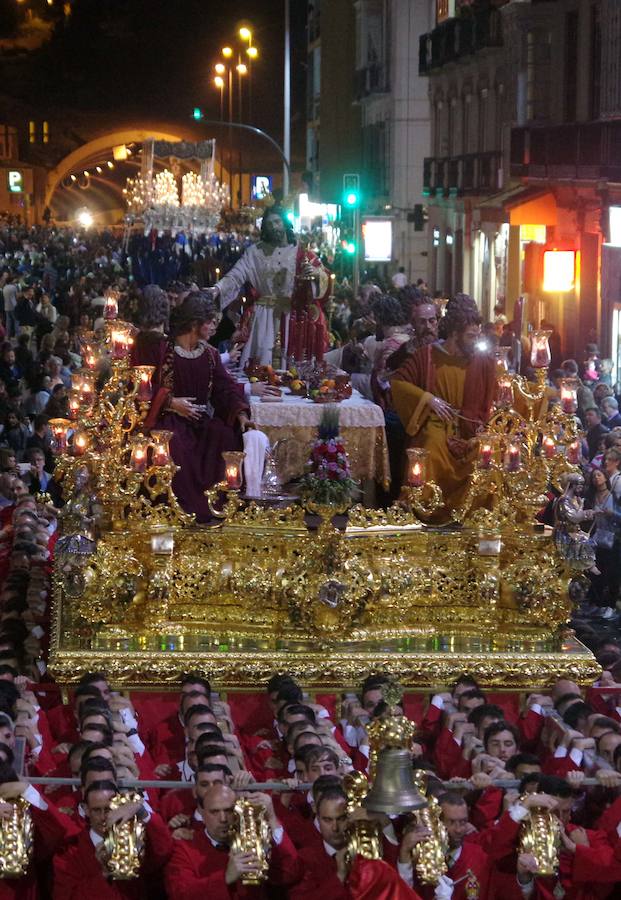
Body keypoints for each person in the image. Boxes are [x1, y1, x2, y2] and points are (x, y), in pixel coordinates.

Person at [143, 294, 252, 521]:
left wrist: (240, 413)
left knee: (223, 435)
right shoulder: (164, 350)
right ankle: (181, 508)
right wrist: (171, 402)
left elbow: (224, 389)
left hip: (200, 421)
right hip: (171, 419)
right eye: (210, 322)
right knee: (173, 445)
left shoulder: (210, 355)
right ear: (195, 323)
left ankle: (217, 505)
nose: (214, 327)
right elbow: (144, 386)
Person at [391, 294, 496, 516]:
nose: (475, 342)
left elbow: (496, 393)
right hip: (437, 422)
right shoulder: (428, 356)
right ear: (455, 333)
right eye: (470, 336)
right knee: (431, 445)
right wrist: (428, 399)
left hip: (471, 425)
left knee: (487, 452)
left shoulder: (481, 360)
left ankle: (473, 515)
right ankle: (424, 509)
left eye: (478, 336)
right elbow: (398, 383)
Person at [212, 207, 331, 368]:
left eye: (277, 222)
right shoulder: (255, 252)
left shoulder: (301, 252)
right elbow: (236, 274)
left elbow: (322, 276)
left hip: (291, 315)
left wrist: (315, 274)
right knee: (261, 359)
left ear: (285, 223)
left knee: (291, 362)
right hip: (263, 316)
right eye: (269, 224)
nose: (274, 227)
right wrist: (218, 289)